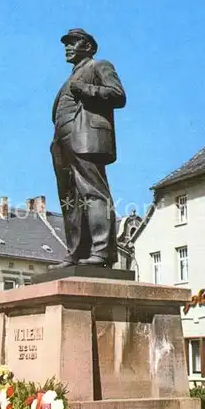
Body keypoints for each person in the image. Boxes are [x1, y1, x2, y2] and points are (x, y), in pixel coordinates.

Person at [49, 28, 126, 269]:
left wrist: (86, 90)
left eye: (74, 42)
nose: (68, 47)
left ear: (89, 47)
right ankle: (76, 252)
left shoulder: (99, 66)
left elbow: (118, 95)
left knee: (94, 194)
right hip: (63, 143)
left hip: (85, 137)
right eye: (66, 44)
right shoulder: (70, 78)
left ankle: (101, 252)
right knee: (70, 200)